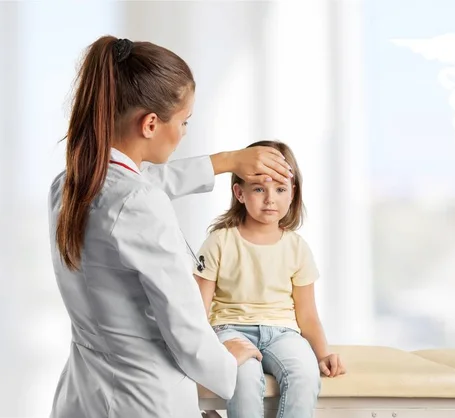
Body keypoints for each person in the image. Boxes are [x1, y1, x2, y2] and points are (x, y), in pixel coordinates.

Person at [49, 35, 294, 418]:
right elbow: (184, 325)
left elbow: (140, 189)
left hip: (82, 396)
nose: (183, 133)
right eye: (184, 122)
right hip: (143, 399)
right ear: (150, 124)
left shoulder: (70, 184)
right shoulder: (137, 204)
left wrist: (227, 160)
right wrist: (226, 361)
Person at [194, 140, 346, 418]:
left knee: (304, 374)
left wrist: (324, 354)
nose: (270, 199)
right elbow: (197, 310)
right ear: (239, 193)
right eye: (259, 189)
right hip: (230, 329)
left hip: (283, 333)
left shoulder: (297, 247)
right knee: (245, 376)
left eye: (280, 189)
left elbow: (308, 314)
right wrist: (210, 350)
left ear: (292, 193)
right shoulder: (219, 241)